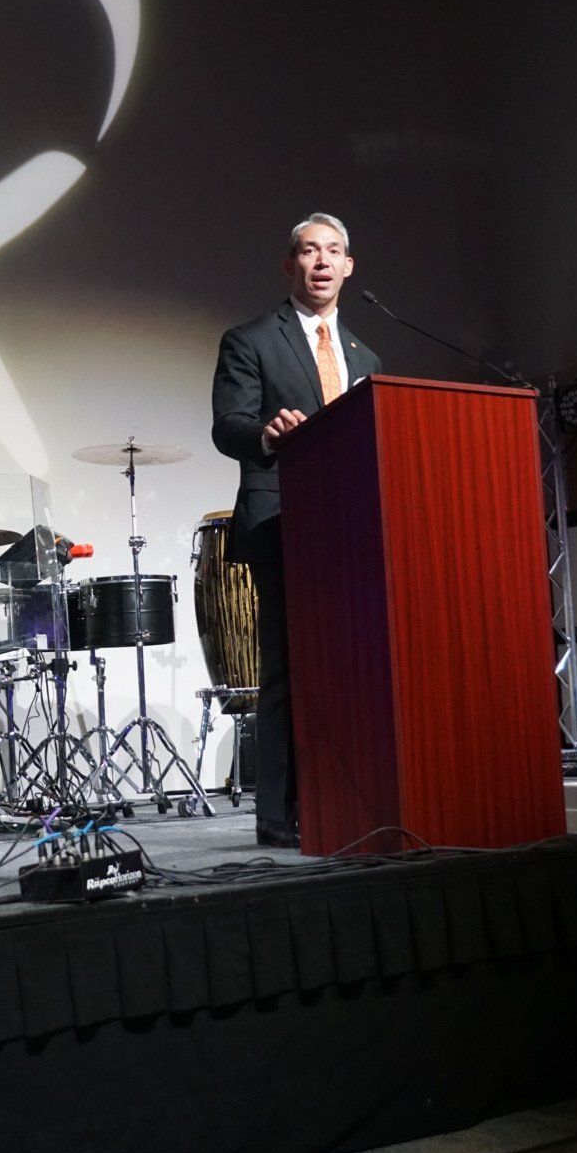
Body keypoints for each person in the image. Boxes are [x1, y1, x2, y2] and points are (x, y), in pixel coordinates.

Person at [211, 213, 381, 847]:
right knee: (289, 662)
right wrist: (266, 433)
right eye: (310, 251)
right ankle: (279, 815)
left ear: (349, 266)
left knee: (352, 664)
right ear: (291, 265)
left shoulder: (367, 357)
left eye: (334, 251)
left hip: (353, 525)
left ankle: (350, 797)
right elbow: (227, 424)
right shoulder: (252, 339)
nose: (322, 261)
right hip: (283, 518)